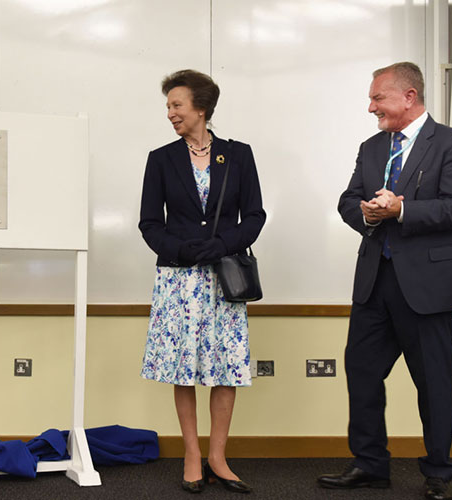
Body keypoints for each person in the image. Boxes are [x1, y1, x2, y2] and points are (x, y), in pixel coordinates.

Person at [318, 62, 452, 500]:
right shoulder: (372, 148)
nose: (371, 107)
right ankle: (371, 465)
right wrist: (366, 212)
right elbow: (348, 200)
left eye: (378, 98)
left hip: (426, 288)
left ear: (409, 97)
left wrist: (402, 210)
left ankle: (438, 474)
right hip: (374, 282)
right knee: (362, 374)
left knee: (434, 382)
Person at [138, 69, 265, 494]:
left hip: (225, 277)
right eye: (169, 106)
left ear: (201, 108)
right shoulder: (161, 159)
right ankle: (192, 455)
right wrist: (185, 250)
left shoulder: (239, 154)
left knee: (226, 368)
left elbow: (256, 216)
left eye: (177, 105)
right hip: (179, 279)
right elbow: (150, 223)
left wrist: (223, 244)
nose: (170, 113)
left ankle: (218, 457)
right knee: (184, 367)